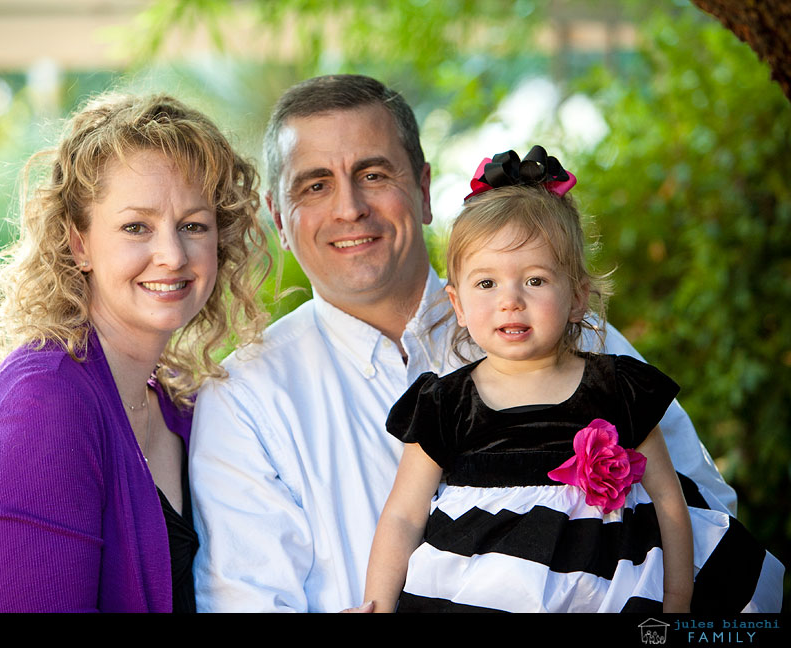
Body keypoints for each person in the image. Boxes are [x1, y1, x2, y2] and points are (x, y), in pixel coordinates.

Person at [189, 74, 738, 613]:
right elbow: (247, 601)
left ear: (424, 190)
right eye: (315, 185)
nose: (349, 207)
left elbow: (708, 519)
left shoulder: (572, 340)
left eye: (373, 173)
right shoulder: (245, 399)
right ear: (279, 219)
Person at [362, 147, 783, 613]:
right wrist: (376, 606)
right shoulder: (445, 403)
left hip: (609, 591)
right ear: (457, 304)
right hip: (480, 594)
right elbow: (403, 516)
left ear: (578, 297)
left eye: (536, 280)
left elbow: (669, 503)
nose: (511, 301)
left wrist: (676, 604)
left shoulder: (615, 387)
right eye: (487, 284)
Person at [0, 93, 269, 612]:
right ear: (79, 244)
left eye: (193, 225)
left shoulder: (176, 403)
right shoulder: (42, 405)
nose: (171, 255)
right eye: (136, 227)